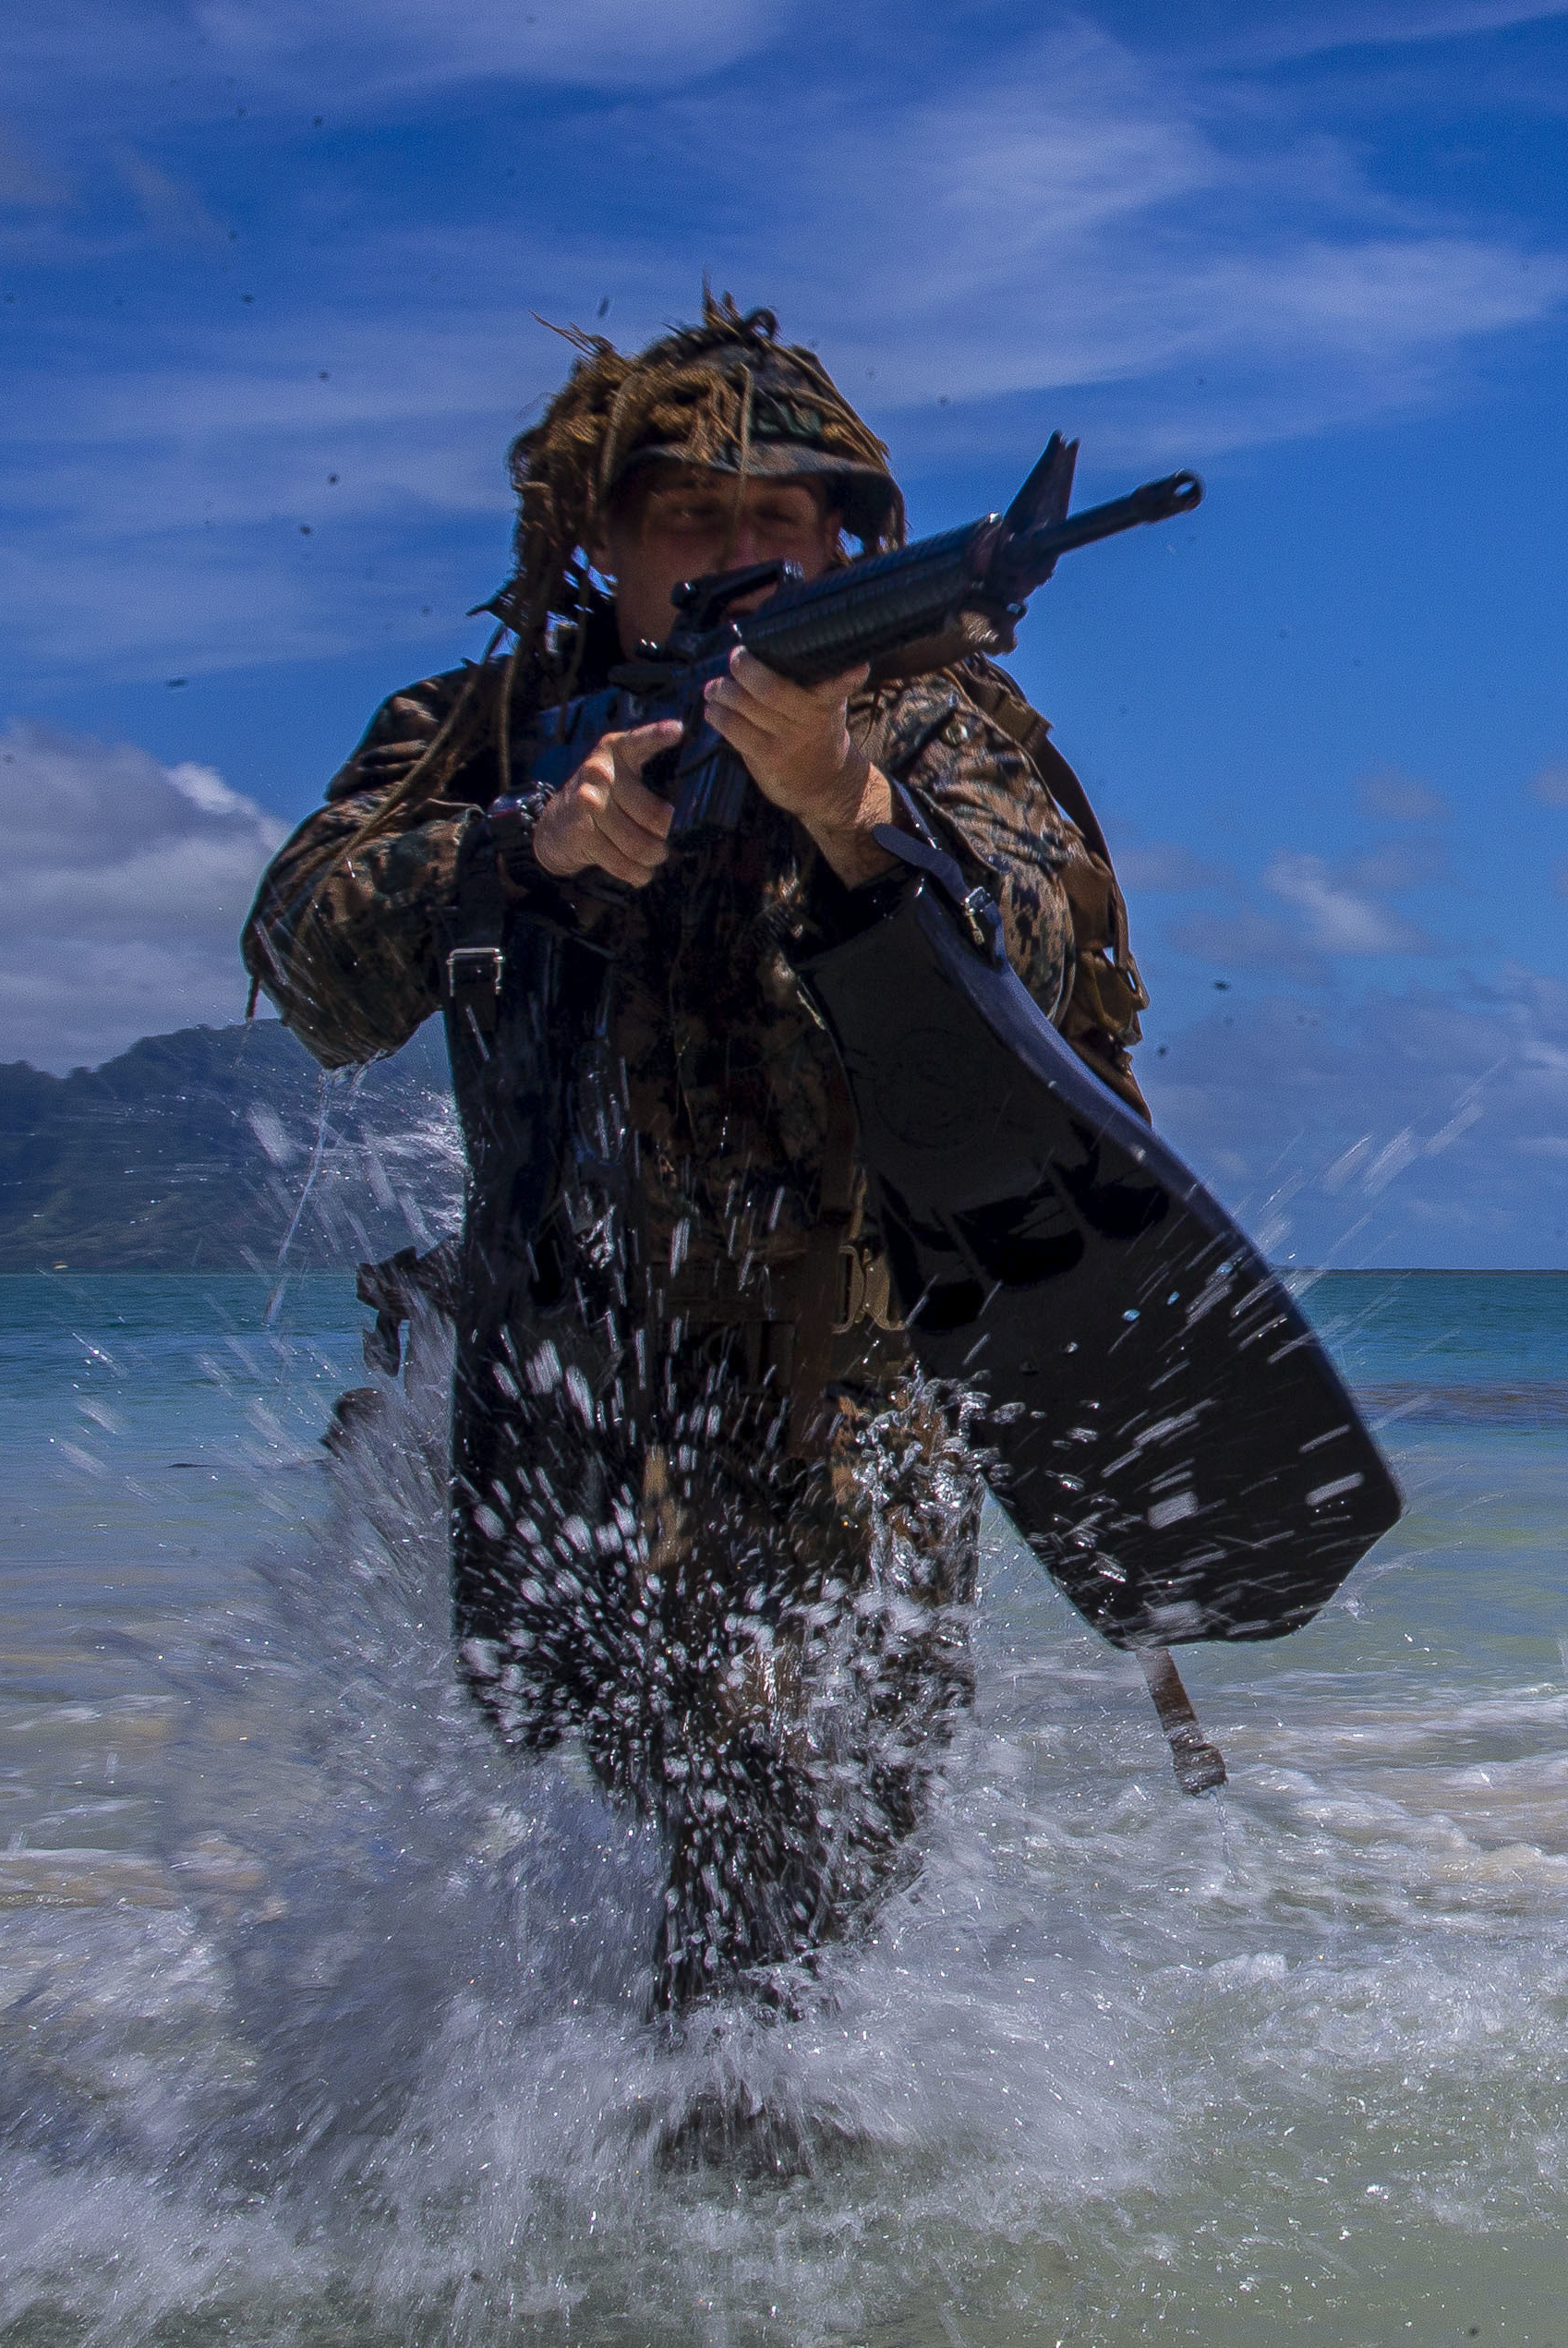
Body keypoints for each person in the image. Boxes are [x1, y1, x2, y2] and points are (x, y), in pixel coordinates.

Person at [243, 296, 1152, 2011]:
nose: (740, 553)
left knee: (794, 1870)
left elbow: (1050, 952)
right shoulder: (496, 725)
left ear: (841, 542)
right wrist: (527, 847)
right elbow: (304, 959)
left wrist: (849, 807)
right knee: (615, 1815)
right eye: (690, 521)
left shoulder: (935, 727)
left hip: (847, 1396)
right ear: (601, 542)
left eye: (779, 522)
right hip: (559, 1383)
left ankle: (745, 2215)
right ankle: (575, 2190)